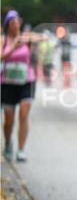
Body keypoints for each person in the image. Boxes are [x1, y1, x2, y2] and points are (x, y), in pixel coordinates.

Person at [1, 11, 39, 162]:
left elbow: (43, 37)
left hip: (26, 80)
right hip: (8, 83)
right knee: (8, 120)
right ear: (7, 25)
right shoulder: (3, 40)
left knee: (23, 114)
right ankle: (8, 144)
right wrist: (13, 48)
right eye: (12, 22)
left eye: (18, 21)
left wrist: (32, 38)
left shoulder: (25, 38)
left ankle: (21, 150)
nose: (16, 24)